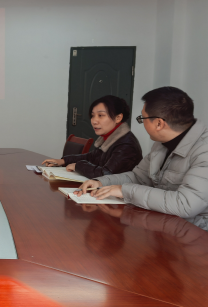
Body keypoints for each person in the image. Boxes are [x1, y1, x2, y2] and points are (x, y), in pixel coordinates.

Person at [78, 86, 208, 231]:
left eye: (142, 118)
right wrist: (101, 182)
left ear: (159, 123)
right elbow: (138, 177)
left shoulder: (204, 151)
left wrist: (124, 191)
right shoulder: (161, 144)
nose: (142, 123)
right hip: (164, 224)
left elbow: (185, 204)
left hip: (196, 233)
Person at [42, 95, 143, 179]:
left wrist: (78, 166)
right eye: (92, 115)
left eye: (100, 115)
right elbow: (91, 157)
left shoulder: (126, 144)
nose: (94, 121)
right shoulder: (109, 137)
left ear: (118, 118)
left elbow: (106, 174)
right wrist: (63, 161)